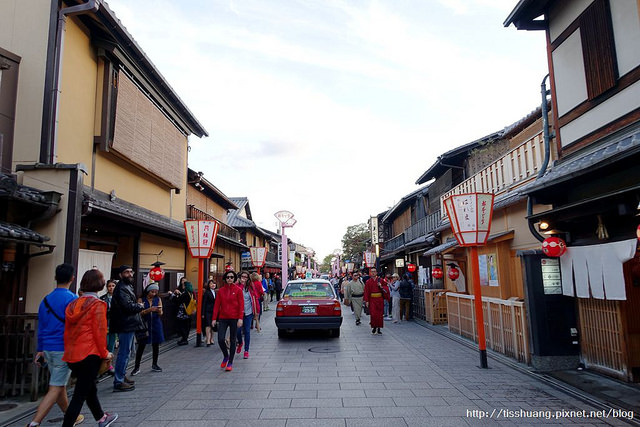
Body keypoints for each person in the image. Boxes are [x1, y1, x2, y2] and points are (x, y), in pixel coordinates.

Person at [62, 269, 118, 427]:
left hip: (72, 354)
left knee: (89, 388)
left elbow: (67, 331)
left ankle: (101, 418)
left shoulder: (73, 304)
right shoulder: (98, 304)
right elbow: (99, 332)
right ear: (99, 284)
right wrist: (105, 353)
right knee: (79, 396)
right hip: (89, 354)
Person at [29, 263, 83, 427]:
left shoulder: (45, 301)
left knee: (58, 383)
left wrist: (40, 349)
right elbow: (78, 326)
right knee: (56, 386)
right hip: (63, 348)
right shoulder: (73, 299)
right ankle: (34, 423)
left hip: (48, 349)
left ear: (55, 278)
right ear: (73, 278)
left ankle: (70, 415)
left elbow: (42, 327)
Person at [109, 265, 144, 392]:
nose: (130, 274)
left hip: (128, 323)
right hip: (125, 324)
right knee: (124, 353)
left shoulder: (127, 286)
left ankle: (122, 375)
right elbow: (127, 306)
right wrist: (139, 306)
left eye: (131, 272)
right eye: (126, 272)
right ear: (120, 275)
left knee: (127, 352)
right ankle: (118, 380)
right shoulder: (121, 288)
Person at [212, 271, 244, 372]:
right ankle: (226, 355)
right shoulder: (221, 291)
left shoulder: (238, 290)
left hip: (234, 318)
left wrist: (240, 318)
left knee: (233, 340)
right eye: (228, 277)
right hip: (223, 318)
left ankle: (230, 361)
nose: (229, 279)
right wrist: (213, 318)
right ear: (225, 278)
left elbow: (241, 305)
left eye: (231, 277)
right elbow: (217, 305)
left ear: (234, 278)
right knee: (221, 339)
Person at [131, 283, 163, 376]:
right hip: (144, 325)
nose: (154, 294)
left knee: (156, 345)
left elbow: (161, 313)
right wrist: (149, 310)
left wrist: (158, 310)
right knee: (141, 345)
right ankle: (136, 367)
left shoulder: (158, 299)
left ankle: (155, 364)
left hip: (156, 324)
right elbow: (138, 312)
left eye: (155, 292)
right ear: (148, 291)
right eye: (152, 292)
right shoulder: (141, 299)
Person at [236, 272, 259, 359]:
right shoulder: (237, 286)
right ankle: (240, 343)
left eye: (246, 277)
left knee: (247, 331)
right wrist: (241, 284)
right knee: (237, 331)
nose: (244, 278)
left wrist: (257, 311)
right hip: (239, 313)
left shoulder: (250, 287)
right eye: (243, 277)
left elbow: (255, 298)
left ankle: (246, 350)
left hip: (248, 312)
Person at [364, 268, 389, 335]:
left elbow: (386, 288)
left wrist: (381, 287)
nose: (373, 273)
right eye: (372, 272)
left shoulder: (381, 280)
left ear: (376, 272)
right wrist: (366, 301)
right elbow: (366, 292)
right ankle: (374, 326)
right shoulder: (368, 282)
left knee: (380, 314)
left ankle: (379, 328)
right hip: (372, 299)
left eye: (374, 271)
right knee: (373, 314)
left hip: (379, 299)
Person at [100, 279, 117, 374]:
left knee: (111, 345)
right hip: (104, 324)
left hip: (114, 324)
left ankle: (109, 365)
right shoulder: (102, 298)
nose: (111, 288)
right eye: (109, 286)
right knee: (104, 345)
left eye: (113, 286)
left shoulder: (118, 298)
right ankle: (102, 366)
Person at [170, 279, 194, 345]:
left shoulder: (185, 293)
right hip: (188, 312)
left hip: (183, 312)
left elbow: (178, 300)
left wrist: (172, 295)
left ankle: (184, 339)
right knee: (186, 326)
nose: (182, 286)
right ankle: (185, 338)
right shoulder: (191, 293)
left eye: (183, 285)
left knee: (181, 325)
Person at [202, 279, 217, 346]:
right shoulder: (206, 292)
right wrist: (202, 313)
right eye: (211, 283)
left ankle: (212, 339)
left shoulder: (216, 292)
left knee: (213, 325)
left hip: (214, 311)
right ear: (208, 285)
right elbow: (204, 303)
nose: (213, 285)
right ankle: (208, 339)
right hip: (208, 311)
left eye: (214, 283)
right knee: (208, 325)